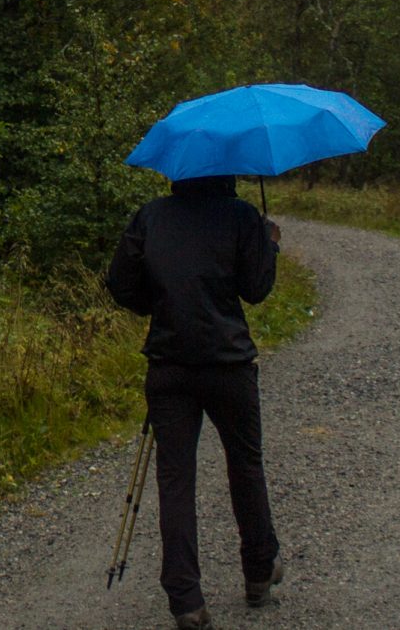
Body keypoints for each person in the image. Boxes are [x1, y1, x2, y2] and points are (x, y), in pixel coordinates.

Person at [105, 174, 284, 630]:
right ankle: (259, 571)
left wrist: (164, 305)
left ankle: (186, 599)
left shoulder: (151, 216)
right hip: (228, 365)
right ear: (225, 173)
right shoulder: (241, 217)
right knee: (245, 466)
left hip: (169, 365)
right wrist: (269, 243)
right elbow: (256, 290)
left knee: (175, 480)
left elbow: (121, 285)